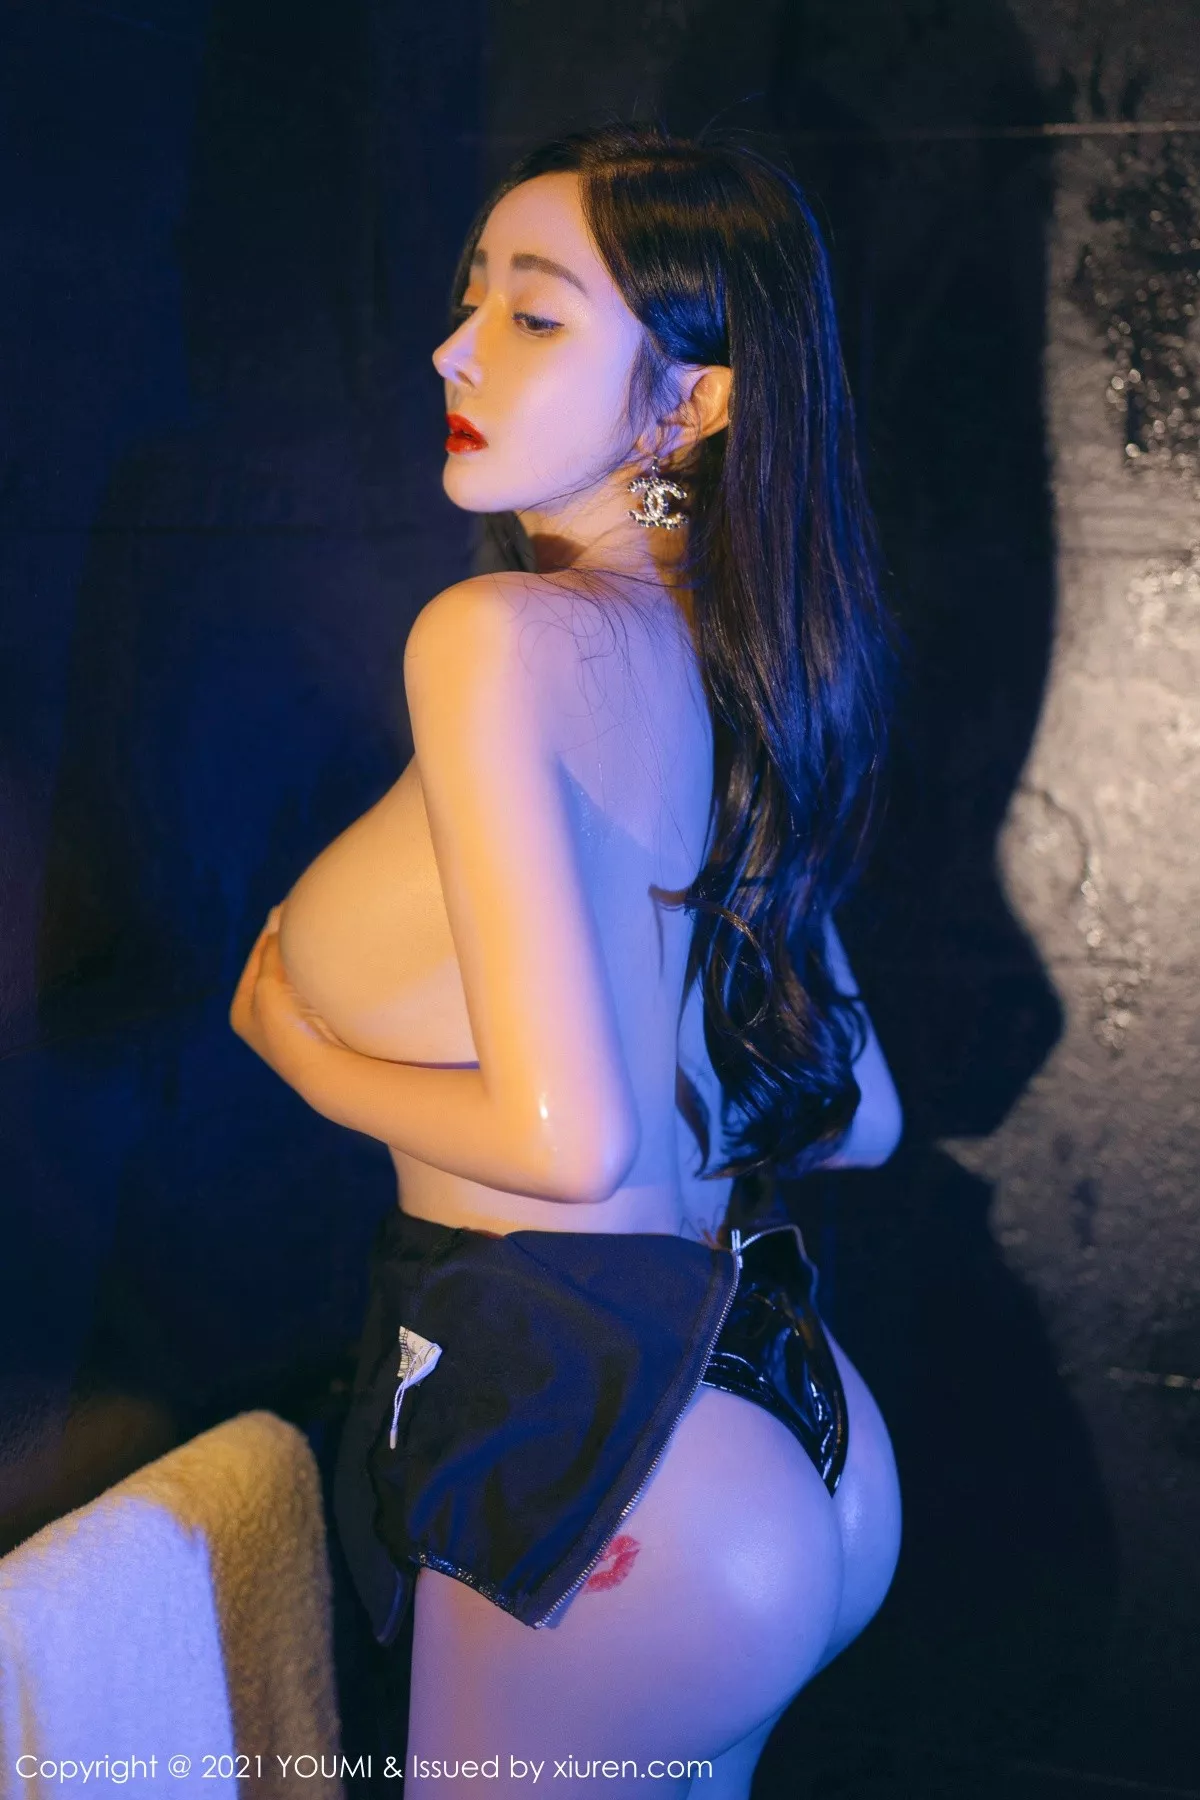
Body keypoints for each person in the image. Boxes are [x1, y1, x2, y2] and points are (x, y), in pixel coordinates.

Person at [229, 121, 903, 1799]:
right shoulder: (736, 655)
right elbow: (858, 1113)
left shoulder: (493, 641)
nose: (453, 350)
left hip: (585, 1422)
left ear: (693, 402)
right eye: (472, 296)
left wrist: (297, 1044)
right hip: (787, 1420)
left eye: (533, 315)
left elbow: (573, 1143)